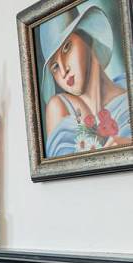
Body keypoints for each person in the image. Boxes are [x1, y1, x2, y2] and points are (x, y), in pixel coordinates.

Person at [40, 4, 132, 157]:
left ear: (86, 36)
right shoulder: (60, 106)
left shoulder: (128, 89)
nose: (63, 71)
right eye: (55, 67)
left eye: (67, 47)